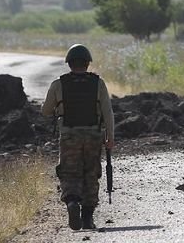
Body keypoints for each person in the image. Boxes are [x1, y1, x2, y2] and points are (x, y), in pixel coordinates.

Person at [41, 44, 114, 230]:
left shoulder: (59, 84)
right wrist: (110, 137)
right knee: (91, 174)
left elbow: (46, 111)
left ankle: (72, 202)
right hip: (93, 136)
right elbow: (108, 112)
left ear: (69, 64)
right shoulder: (98, 83)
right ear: (88, 63)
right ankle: (88, 218)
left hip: (69, 136)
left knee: (69, 172)